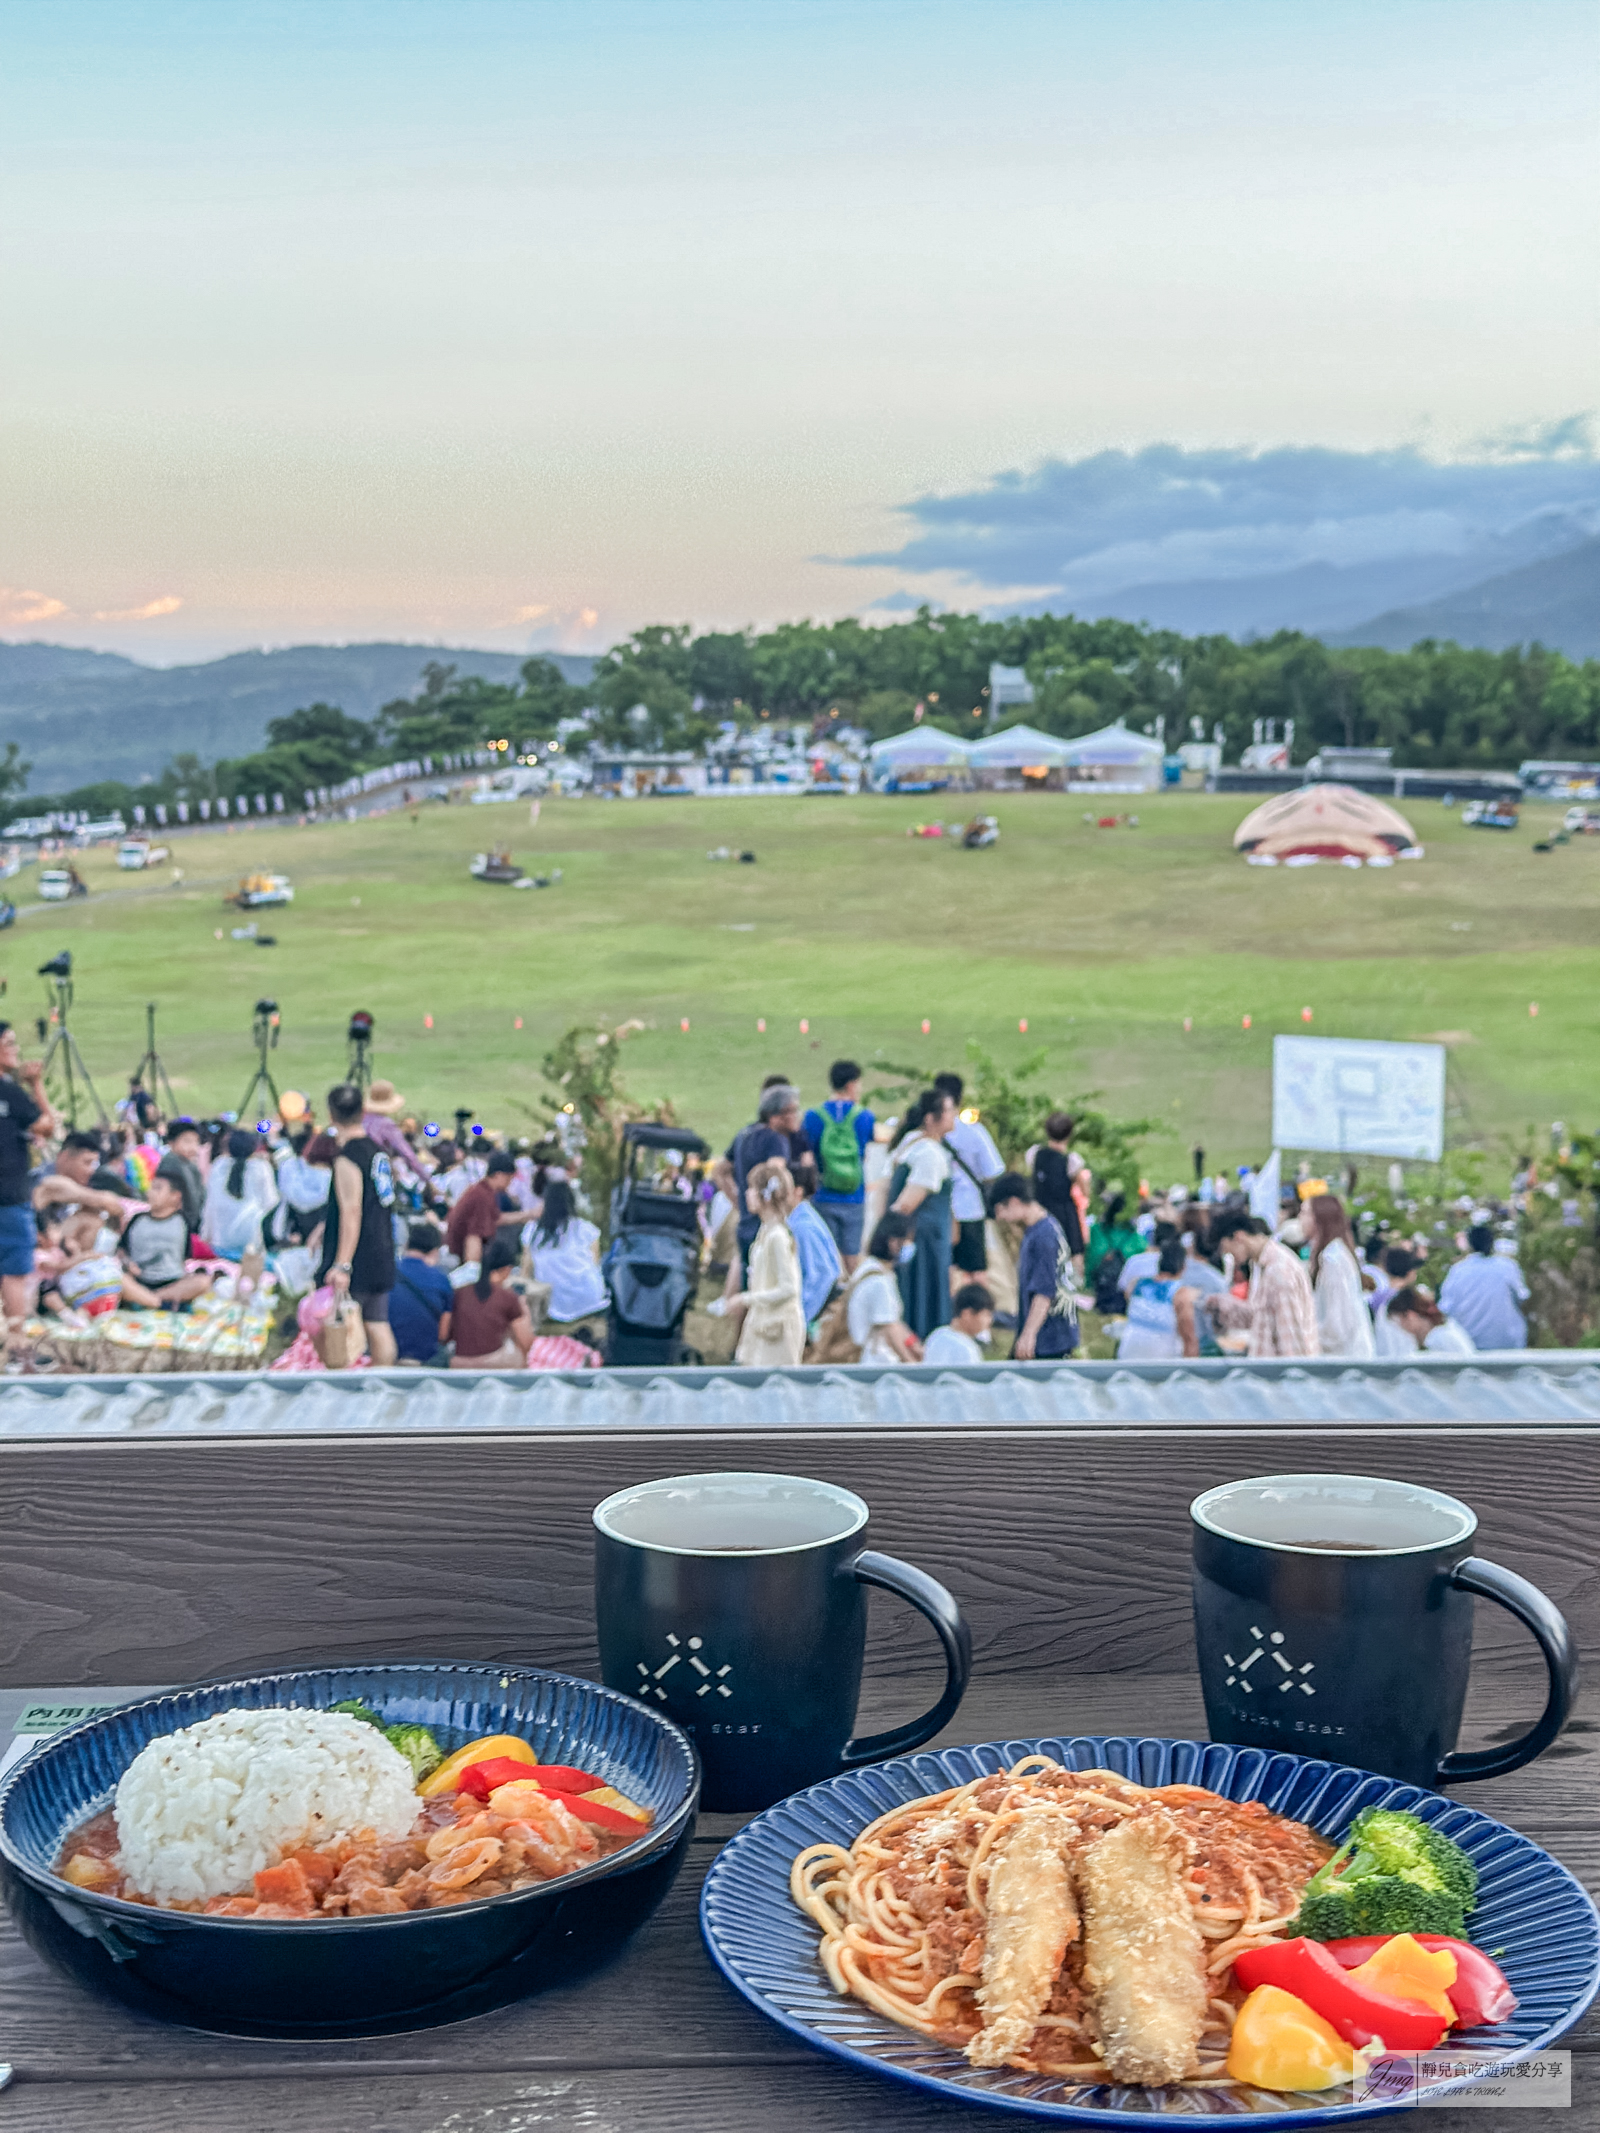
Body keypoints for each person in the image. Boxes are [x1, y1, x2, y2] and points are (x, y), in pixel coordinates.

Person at [317, 1081, 398, 1365]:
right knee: (378, 1322)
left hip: (358, 1250)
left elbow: (352, 1211)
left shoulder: (348, 1158)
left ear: (331, 1115)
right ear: (363, 1111)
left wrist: (342, 1264)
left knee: (340, 1321)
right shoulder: (378, 1152)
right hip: (383, 1242)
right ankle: (383, 1377)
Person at [0, 1021, 54, 1354]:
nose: (16, 1050)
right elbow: (46, 1126)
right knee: (14, 1268)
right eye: (10, 1043)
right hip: (9, 1195)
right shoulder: (9, 1092)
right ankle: (17, 1338)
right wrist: (36, 1084)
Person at [888, 1089, 958, 1338]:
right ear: (932, 1118)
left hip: (924, 1237)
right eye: (950, 1111)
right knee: (925, 1298)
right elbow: (906, 1204)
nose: (954, 1116)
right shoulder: (929, 1153)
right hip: (924, 1240)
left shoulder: (911, 1144)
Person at [988, 1171, 1079, 1361]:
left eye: (1000, 1210)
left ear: (1013, 1202)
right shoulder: (1040, 1229)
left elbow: (1044, 1291)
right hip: (1047, 1334)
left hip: (1049, 1337)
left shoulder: (1043, 1237)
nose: (1000, 1218)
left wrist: (1029, 1334)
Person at [724, 1157, 806, 1365]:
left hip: (777, 1329)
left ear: (765, 1196)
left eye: (752, 1188)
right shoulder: (765, 1232)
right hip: (762, 1323)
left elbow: (789, 1288)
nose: (747, 1193)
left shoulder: (777, 1237)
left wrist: (746, 1299)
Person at [720, 1082, 803, 1286]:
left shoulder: (744, 1134)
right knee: (764, 1284)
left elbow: (720, 1170)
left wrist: (738, 1200)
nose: (797, 1115)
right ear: (776, 1114)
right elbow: (773, 1179)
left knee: (747, 1282)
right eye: (792, 1110)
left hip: (744, 1222)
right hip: (764, 1222)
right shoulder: (777, 1141)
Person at [1207, 1211, 1320, 1357]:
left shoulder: (1279, 1271)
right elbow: (1262, 1316)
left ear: (1238, 1237)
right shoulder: (1261, 1265)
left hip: (1280, 1373)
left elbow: (1290, 1340)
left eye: (1227, 1250)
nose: (1230, 1257)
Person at [934, 1072, 1005, 1294]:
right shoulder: (974, 1131)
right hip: (970, 1208)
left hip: (942, 1209)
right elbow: (992, 1170)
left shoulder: (928, 1130)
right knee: (976, 1268)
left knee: (945, 1265)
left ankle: (948, 1309)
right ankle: (979, 1309)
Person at [803, 1059, 876, 1266]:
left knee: (828, 1255)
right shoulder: (864, 1116)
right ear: (851, 1084)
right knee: (852, 1256)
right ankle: (854, 1295)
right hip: (854, 1195)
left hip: (823, 1193)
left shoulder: (813, 1116)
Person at [119, 1172, 215, 1307]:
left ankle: (150, 1300)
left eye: (158, 1189)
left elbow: (184, 1257)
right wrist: (128, 1263)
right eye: (151, 1188)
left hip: (171, 1283)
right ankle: (153, 1301)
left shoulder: (182, 1222)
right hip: (139, 1280)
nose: (151, 1193)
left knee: (203, 1282)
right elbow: (121, 1250)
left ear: (175, 1196)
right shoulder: (137, 1219)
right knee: (118, 1279)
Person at [527, 1179, 609, 1322]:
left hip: (551, 1304)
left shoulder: (533, 1232)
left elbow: (526, 1272)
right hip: (590, 1300)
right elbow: (595, 1264)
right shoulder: (586, 1229)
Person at [845, 1211, 921, 1364]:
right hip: (871, 1359)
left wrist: (913, 1344)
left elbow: (893, 1321)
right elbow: (890, 1329)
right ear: (893, 1242)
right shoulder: (879, 1282)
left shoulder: (869, 1269)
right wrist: (910, 1363)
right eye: (907, 1240)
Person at [1306, 1192, 1376, 1359]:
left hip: (1347, 1361)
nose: (1299, 1219)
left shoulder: (1333, 1259)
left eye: (1304, 1213)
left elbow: (1336, 1326)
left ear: (1319, 1218)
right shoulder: (1332, 1255)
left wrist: (1305, 1337)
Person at [1439, 1224, 1530, 1351]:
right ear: (1493, 1243)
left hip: (1467, 1345)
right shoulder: (1508, 1267)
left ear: (1469, 1245)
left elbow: (1446, 1308)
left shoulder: (1458, 1271)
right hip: (1508, 1344)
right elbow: (1523, 1299)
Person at [449, 1236, 535, 1367]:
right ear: (506, 1270)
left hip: (459, 1362)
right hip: (492, 1363)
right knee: (521, 1352)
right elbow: (526, 1342)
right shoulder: (507, 1297)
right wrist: (523, 1307)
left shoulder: (460, 1293)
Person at [1117, 1236, 1199, 1361]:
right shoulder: (1180, 1295)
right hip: (1162, 1360)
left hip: (1128, 1354)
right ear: (1183, 1267)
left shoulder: (1136, 1285)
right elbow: (1189, 1338)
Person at [201, 1129, 279, 1258]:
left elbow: (210, 1204)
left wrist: (205, 1235)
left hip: (220, 1238)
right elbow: (271, 1201)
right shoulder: (262, 1167)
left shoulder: (218, 1166)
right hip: (251, 1238)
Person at [388, 1220, 454, 1364]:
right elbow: (443, 1334)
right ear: (435, 1252)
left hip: (387, 1355)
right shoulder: (441, 1280)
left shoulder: (386, 1273)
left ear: (406, 1245)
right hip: (426, 1358)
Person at [445, 1148, 522, 1267]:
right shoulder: (481, 1196)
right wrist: (474, 1274)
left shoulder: (482, 1191)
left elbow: (497, 1218)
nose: (509, 1183)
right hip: (460, 1257)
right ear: (499, 1175)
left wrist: (530, 1214)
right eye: (509, 1179)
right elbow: (474, 1237)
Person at [787, 1174, 844, 1325]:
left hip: (816, 1311)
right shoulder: (799, 1218)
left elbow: (820, 1276)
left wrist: (801, 1318)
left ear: (797, 1191)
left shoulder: (803, 1227)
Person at [1031, 1113, 1085, 1258]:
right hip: (1064, 1209)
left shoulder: (1034, 1154)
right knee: (1074, 1250)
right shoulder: (1072, 1161)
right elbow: (1084, 1189)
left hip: (1040, 1207)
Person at [1388, 1285, 1477, 1355]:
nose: (1400, 1327)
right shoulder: (1445, 1330)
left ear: (1410, 1316)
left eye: (1398, 1321)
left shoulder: (1437, 1339)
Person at [922, 1283, 994, 1366]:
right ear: (967, 1314)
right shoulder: (967, 1350)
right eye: (986, 1315)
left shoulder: (936, 1335)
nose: (989, 1321)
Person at [159, 1119, 207, 1233]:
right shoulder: (171, 1163)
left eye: (196, 1142)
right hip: (180, 1227)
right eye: (187, 1141)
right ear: (171, 1142)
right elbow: (190, 1201)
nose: (193, 1147)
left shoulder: (190, 1165)